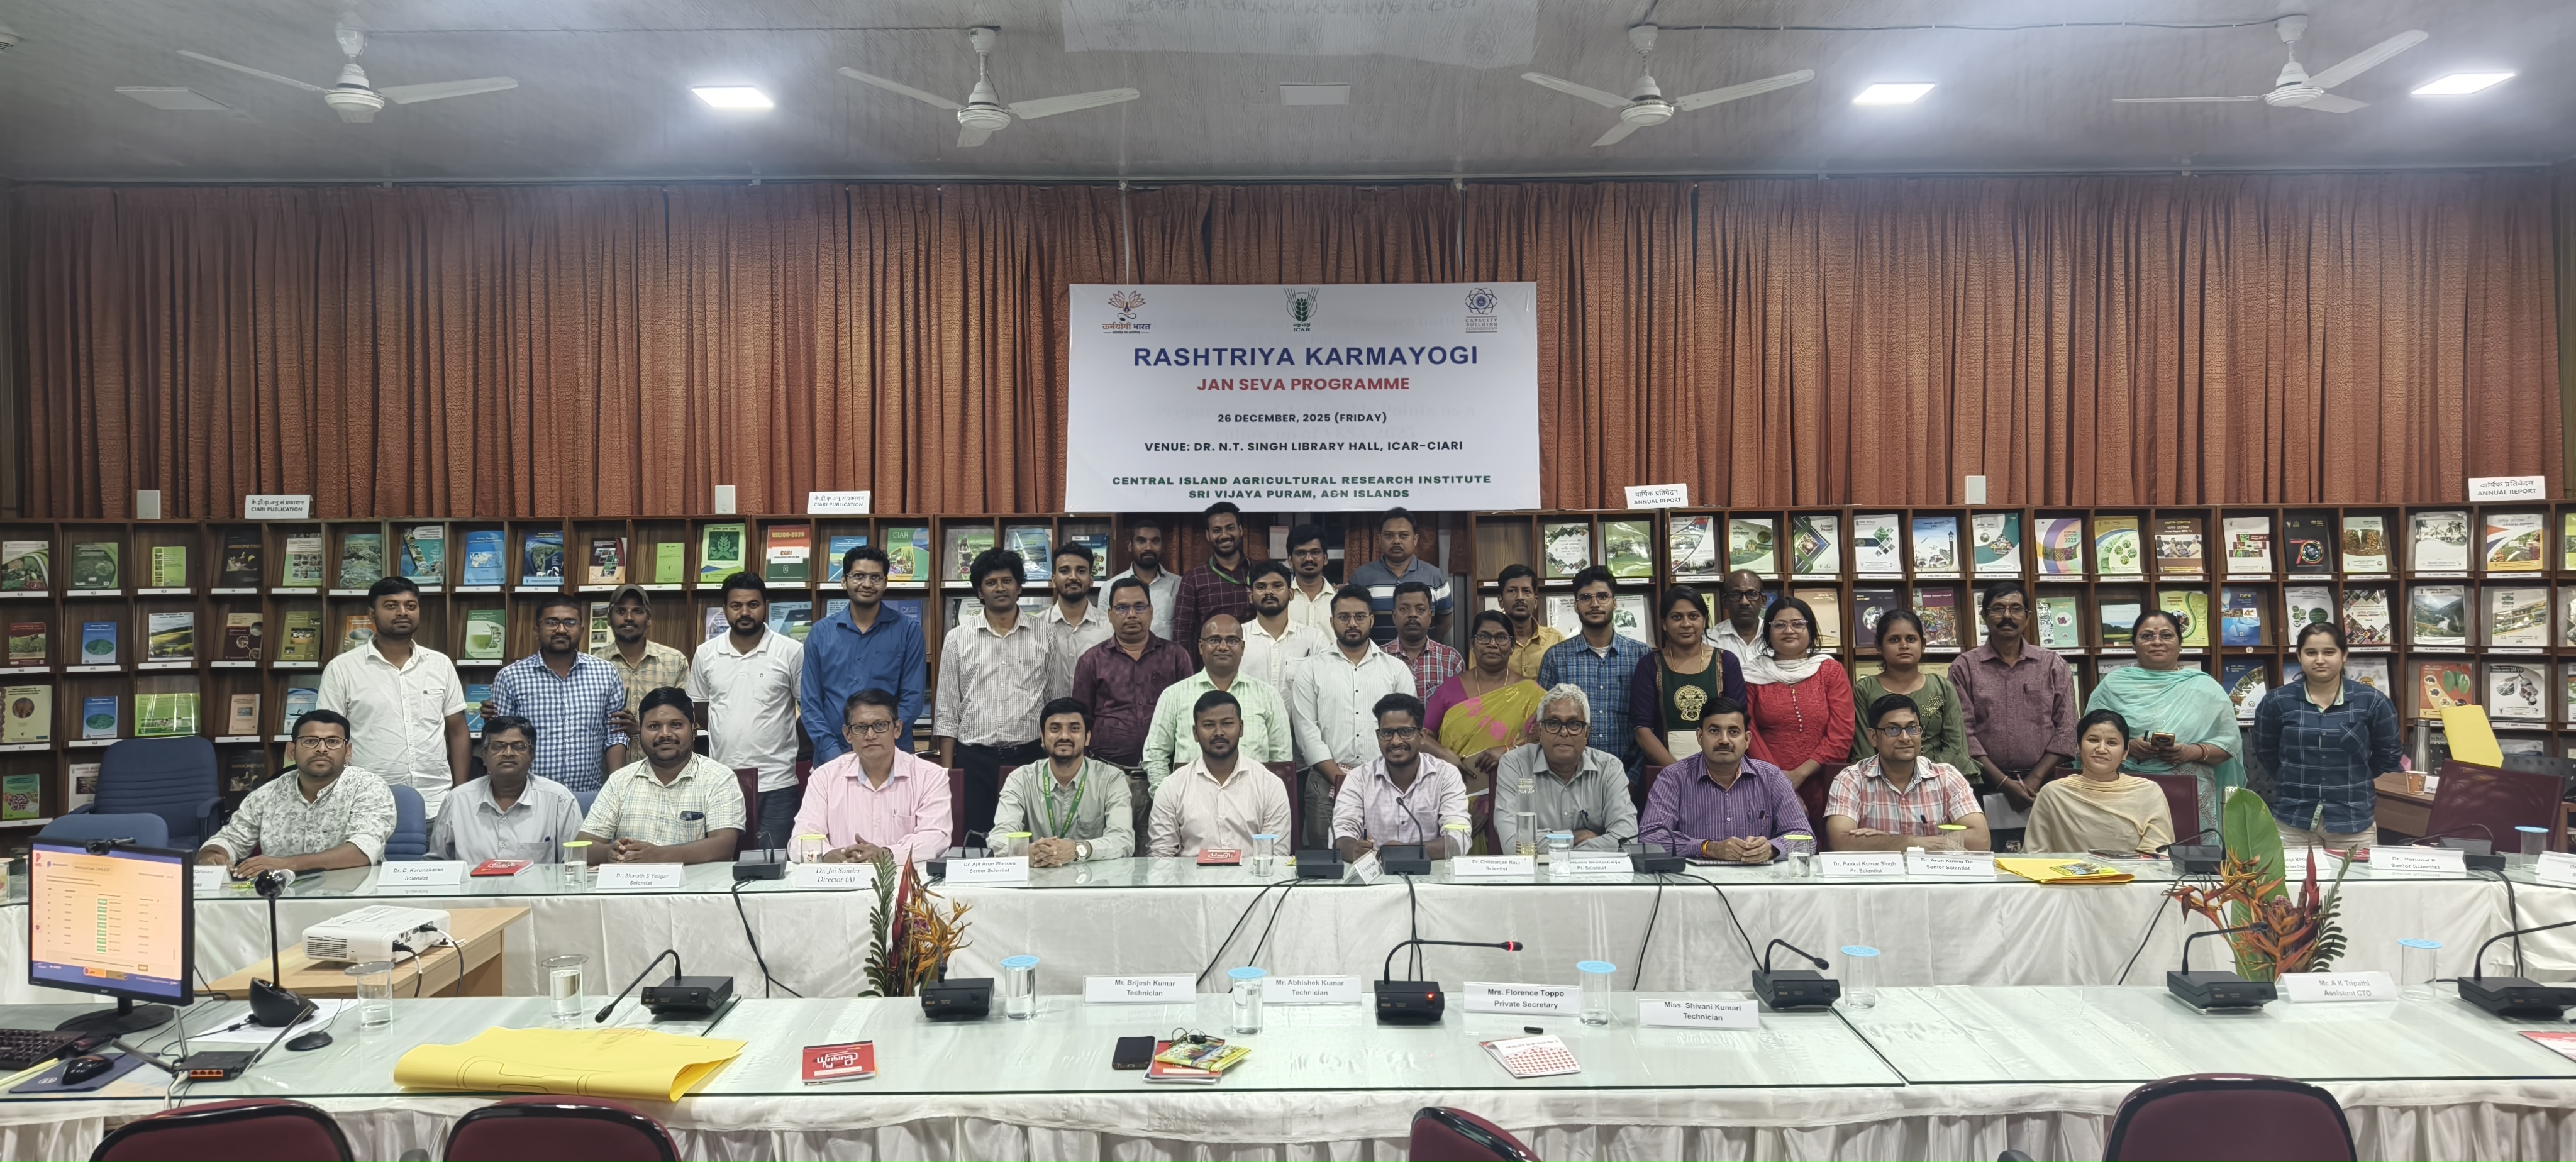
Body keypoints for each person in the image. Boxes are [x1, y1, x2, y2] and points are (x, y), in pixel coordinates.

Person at [2084, 609, 2247, 839]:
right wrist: (2128, 747)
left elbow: (2229, 746)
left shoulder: (2206, 688)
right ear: (2134, 644)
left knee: (2192, 856)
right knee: (2125, 853)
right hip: (2124, 788)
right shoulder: (2112, 685)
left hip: (2190, 792)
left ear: (2180, 644)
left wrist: (2191, 752)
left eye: (2166, 635)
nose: (2157, 642)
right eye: (2147, 636)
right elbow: (2089, 739)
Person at [313, 575, 470, 815]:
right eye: (391, 606)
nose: (402, 612)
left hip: (436, 803)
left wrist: (460, 793)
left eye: (411, 606)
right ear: (372, 614)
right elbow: (329, 738)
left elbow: (458, 731)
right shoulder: (342, 669)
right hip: (366, 804)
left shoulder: (441, 664)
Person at [2253, 621, 2402, 849]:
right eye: (2311, 653)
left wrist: (2353, 779)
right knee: (2291, 875)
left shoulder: (2372, 701)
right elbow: (2266, 753)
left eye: (2329, 652)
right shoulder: (2276, 702)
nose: (2320, 660)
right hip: (2293, 820)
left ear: (2344, 655)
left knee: (2355, 875)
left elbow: (2388, 756)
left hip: (2352, 819)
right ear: (2299, 656)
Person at [934, 547, 1051, 838]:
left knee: (1028, 843)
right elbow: (946, 711)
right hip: (974, 760)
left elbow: (1055, 703)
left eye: (1007, 581)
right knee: (976, 844)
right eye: (991, 583)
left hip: (1029, 758)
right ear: (979, 592)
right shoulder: (957, 639)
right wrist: (949, 775)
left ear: (1019, 587)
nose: (1000, 588)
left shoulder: (1045, 634)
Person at [1289, 585, 1417, 848]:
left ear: (1372, 620)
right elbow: (1306, 731)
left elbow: (1407, 729)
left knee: (1388, 857)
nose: (1352, 623)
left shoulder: (1396, 670)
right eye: (1344, 617)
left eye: (1360, 616)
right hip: (1326, 784)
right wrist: (1340, 779)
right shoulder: (1311, 669)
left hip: (1386, 782)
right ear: (1332, 621)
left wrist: (1377, 778)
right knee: (1328, 863)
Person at [197, 709, 396, 876]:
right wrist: (212, 856)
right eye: (310, 741)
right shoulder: (268, 794)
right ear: (291, 751)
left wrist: (286, 864)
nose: (322, 749)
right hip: (281, 897)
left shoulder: (368, 787)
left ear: (348, 751)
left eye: (333, 742)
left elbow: (362, 852)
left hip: (352, 897)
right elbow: (230, 840)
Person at [689, 573, 807, 849]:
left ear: (766, 606)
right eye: (736, 606)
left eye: (753, 605)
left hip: (778, 783)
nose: (744, 612)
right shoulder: (706, 653)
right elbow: (701, 710)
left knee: (773, 864)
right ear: (724, 609)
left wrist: (782, 742)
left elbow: (808, 709)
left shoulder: (791, 651)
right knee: (722, 863)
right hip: (722, 782)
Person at [1951, 580, 2079, 822]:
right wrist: (2003, 782)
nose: (2007, 616)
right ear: (1984, 616)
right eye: (1998, 609)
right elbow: (1963, 734)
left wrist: (2034, 779)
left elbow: (2067, 728)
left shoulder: (2053, 664)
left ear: (2028, 617)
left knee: (2045, 845)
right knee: (1986, 845)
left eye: (2016, 609)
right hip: (1981, 783)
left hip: (2046, 784)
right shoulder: (1964, 667)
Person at [1069, 576, 1196, 818]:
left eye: (1139, 607)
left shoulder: (1176, 657)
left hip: (1167, 779)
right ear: (1110, 614)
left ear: (1151, 612)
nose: (1131, 615)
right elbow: (1079, 724)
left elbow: (1190, 717)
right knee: (1111, 841)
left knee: (1163, 843)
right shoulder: (1092, 661)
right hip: (1109, 779)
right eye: (1122, 608)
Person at [575, 687, 745, 865]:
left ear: (693, 730)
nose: (665, 734)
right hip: (631, 881)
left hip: (695, 883)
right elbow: (582, 846)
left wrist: (658, 856)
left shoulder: (719, 778)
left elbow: (723, 847)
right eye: (654, 726)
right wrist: (610, 853)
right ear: (640, 732)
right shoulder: (620, 781)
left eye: (676, 725)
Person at [1638, 697, 1811, 863]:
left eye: (1733, 732)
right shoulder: (1674, 778)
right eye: (1714, 731)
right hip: (1694, 880)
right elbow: (1649, 839)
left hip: (1757, 878)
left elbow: (1806, 838)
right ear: (1700, 737)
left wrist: (1771, 849)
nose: (1724, 740)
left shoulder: (1771, 777)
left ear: (1747, 740)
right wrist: (1708, 848)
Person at [792, 689, 952, 866]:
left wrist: (887, 854)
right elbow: (800, 841)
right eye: (860, 728)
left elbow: (936, 838)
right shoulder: (824, 778)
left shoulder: (930, 777)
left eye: (880, 725)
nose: (870, 735)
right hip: (843, 879)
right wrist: (828, 855)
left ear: (897, 729)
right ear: (848, 735)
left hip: (904, 880)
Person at [489, 594, 630, 792]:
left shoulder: (606, 673)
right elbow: (501, 740)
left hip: (588, 795)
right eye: (551, 622)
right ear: (536, 630)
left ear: (581, 630)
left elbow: (614, 736)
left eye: (570, 623)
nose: (561, 630)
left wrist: (615, 792)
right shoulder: (510, 677)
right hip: (529, 795)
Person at [1423, 611, 1545, 838]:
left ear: (1512, 646)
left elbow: (1547, 741)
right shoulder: (1449, 689)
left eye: (1501, 637)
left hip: (1514, 798)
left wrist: (1508, 750)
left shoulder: (1532, 693)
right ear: (1473, 644)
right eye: (1484, 637)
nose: (1492, 644)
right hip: (1458, 795)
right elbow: (1423, 737)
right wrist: (1446, 755)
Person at [801, 544, 928, 761]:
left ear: (886, 583)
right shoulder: (820, 633)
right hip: (832, 755)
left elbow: (913, 699)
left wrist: (876, 740)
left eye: (876, 577)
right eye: (859, 576)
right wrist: (832, 750)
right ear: (844, 581)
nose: (867, 584)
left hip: (892, 753)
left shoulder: (909, 631)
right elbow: (810, 702)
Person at [1142, 612, 1292, 795]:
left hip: (1254, 802)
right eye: (1214, 640)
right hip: (1189, 802)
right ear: (1201, 647)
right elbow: (1155, 754)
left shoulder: (1268, 696)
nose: (1223, 646)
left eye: (1232, 640)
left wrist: (1268, 801)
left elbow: (1281, 760)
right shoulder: (1174, 695)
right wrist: (1166, 798)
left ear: (1243, 647)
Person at [1823, 694, 1990, 851]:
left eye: (1912, 728)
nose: (1905, 738)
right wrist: (1911, 842)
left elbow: (1981, 839)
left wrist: (1888, 842)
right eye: (1892, 729)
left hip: (1933, 873)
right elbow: (1839, 841)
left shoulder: (1947, 777)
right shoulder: (1851, 779)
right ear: (1873, 737)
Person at [1743, 595, 1855, 821]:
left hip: (1823, 781)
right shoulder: (1752, 675)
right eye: (1780, 625)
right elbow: (1748, 732)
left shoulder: (1830, 671)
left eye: (1797, 624)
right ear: (1768, 632)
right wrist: (1781, 782)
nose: (1789, 630)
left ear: (1810, 630)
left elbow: (1841, 735)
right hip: (1765, 781)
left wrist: (1800, 774)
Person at [1492, 683, 1637, 853]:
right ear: (1540, 731)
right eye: (1553, 723)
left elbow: (1626, 840)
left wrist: (1556, 847)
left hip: (1592, 869)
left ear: (1587, 733)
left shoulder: (1609, 769)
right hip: (1536, 869)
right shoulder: (1515, 765)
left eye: (1574, 724)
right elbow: (1513, 844)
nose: (1564, 732)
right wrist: (1576, 837)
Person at [1148, 690, 1294, 857]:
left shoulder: (1270, 785)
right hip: (1190, 875)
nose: (1219, 732)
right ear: (1196, 733)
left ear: (1241, 728)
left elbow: (1275, 856)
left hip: (1253, 875)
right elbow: (1161, 855)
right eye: (1209, 725)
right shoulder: (1172, 787)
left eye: (1227, 724)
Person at [1538, 567, 1653, 777]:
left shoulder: (1640, 655)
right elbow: (1543, 723)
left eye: (1602, 596)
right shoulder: (1556, 657)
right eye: (1585, 598)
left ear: (1614, 602)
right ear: (1576, 605)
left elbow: (1651, 722)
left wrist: (1634, 779)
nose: (1595, 604)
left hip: (1627, 775)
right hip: (1569, 776)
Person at [430, 715, 588, 866]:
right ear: (484, 755)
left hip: (535, 887)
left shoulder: (559, 800)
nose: (508, 753)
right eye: (497, 746)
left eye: (519, 746)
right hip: (472, 887)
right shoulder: (457, 800)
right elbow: (438, 864)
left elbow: (575, 862)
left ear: (532, 755)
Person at [992, 698, 1134, 865]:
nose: (1064, 736)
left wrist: (1078, 849)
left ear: (1087, 737)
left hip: (1094, 877)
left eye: (1075, 728)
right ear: (1042, 738)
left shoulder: (1111, 779)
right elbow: (999, 837)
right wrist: (1027, 852)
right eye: (1055, 728)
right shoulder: (1020, 779)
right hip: (1036, 875)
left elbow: (1123, 840)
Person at [1333, 693, 1472, 860]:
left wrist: (1410, 852)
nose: (1396, 741)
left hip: (1431, 874)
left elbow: (1459, 840)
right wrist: (1353, 849)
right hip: (1376, 874)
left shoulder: (1446, 775)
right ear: (1378, 737)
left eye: (1405, 732)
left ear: (1422, 736)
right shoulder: (1359, 778)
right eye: (1387, 733)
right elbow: (1340, 835)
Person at [1629, 585, 1750, 771]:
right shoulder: (1649, 665)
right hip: (1664, 772)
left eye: (1693, 616)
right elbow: (1642, 729)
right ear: (1664, 624)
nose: (1686, 624)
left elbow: (1739, 723)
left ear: (1704, 621)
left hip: (1721, 771)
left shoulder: (1726, 662)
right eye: (1677, 617)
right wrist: (1678, 774)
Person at [2025, 709, 2175, 855]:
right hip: (2067, 872)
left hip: (2135, 872)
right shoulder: (2053, 794)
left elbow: (2157, 853)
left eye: (2112, 743)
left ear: (2125, 752)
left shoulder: (2148, 792)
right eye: (2093, 740)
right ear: (2078, 746)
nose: (2102, 749)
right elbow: (2035, 854)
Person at [1848, 609, 1975, 780]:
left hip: (1939, 780)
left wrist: (1928, 777)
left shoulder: (1941, 688)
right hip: (1881, 782)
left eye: (1911, 639)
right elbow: (1865, 749)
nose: (1904, 646)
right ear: (1879, 646)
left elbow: (1955, 746)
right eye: (1894, 640)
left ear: (1923, 644)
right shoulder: (1865, 690)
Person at [594, 584, 690, 733]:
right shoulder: (594, 666)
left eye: (637, 611)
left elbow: (684, 721)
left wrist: (640, 730)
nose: (629, 618)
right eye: (621, 611)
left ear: (649, 619)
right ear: (609, 619)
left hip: (658, 748)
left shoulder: (674, 662)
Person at [1350, 507, 1452, 643]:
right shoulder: (1361, 577)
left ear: (1415, 540)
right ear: (1380, 540)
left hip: (1422, 655)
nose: (1396, 541)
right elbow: (1352, 621)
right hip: (1374, 655)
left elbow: (1445, 622)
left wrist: (1421, 646)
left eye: (1403, 536)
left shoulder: (1435, 576)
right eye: (1389, 536)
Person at [1172, 501, 1256, 662]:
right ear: (1208, 535)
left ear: (1240, 530)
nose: (1224, 535)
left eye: (1230, 528)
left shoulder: (1260, 573)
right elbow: (1183, 634)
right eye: (1217, 530)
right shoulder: (1193, 579)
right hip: (1212, 668)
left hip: (1256, 663)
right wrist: (1189, 673)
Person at [1040, 541, 1114, 703]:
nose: (1073, 577)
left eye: (1081, 571)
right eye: (1065, 571)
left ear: (1091, 580)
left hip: (1096, 716)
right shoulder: (1037, 627)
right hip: (1050, 717)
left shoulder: (1110, 628)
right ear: (1054, 580)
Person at [1241, 560, 1328, 689]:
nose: (1269, 592)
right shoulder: (1238, 638)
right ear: (1251, 597)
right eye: (1261, 587)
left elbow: (1326, 688)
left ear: (1291, 594)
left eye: (1277, 586)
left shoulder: (1315, 640)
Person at [1106, 518, 1180, 641]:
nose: (1149, 547)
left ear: (1163, 547)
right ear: (1130, 546)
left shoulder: (1180, 585)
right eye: (1141, 541)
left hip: (1168, 653)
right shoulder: (1109, 587)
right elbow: (1106, 632)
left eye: (1155, 541)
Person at [1386, 581, 1464, 694]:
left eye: (1421, 609)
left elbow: (1461, 704)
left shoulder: (1452, 660)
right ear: (1394, 616)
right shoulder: (1378, 658)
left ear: (1430, 616)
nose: (1413, 614)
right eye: (1404, 609)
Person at [1495, 564, 1562, 680]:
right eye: (1512, 591)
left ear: (1535, 602)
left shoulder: (1556, 641)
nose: (1520, 597)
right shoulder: (1487, 643)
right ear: (1501, 601)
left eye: (1526, 591)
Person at [1282, 524, 1338, 633]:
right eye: (1301, 553)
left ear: (1325, 558)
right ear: (1290, 561)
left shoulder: (1339, 600)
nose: (1308, 559)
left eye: (1315, 552)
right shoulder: (1281, 600)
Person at [1709, 570, 1768, 664]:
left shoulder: (1776, 636)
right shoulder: (1710, 640)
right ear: (1725, 602)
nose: (1744, 602)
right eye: (1735, 595)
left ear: (1763, 601)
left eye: (1752, 594)